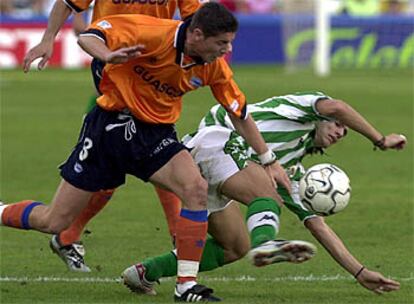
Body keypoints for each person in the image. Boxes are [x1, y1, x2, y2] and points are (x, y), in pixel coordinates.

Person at [1, 3, 294, 302]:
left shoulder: (213, 66)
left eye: (229, 42)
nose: (227, 49)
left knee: (194, 188)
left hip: (155, 135)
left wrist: (269, 160)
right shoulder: (150, 32)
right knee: (53, 221)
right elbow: (87, 37)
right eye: (221, 43)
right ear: (196, 35)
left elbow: (239, 113)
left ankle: (186, 286)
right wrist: (106, 55)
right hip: (109, 129)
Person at [120, 91, 404, 298]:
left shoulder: (291, 169)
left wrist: (359, 272)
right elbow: (339, 106)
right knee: (266, 195)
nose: (341, 131)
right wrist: (379, 139)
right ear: (322, 118)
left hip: (214, 169)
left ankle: (145, 271)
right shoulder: (303, 110)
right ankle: (266, 242)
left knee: (234, 246)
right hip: (218, 138)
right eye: (338, 125)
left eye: (345, 132)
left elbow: (317, 225)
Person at [22, 0, 207, 273]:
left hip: (159, 59)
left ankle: (67, 234)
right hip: (112, 59)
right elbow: (67, 3)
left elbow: (197, 21)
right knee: (154, 148)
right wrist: (48, 39)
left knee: (129, 154)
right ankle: (176, 237)